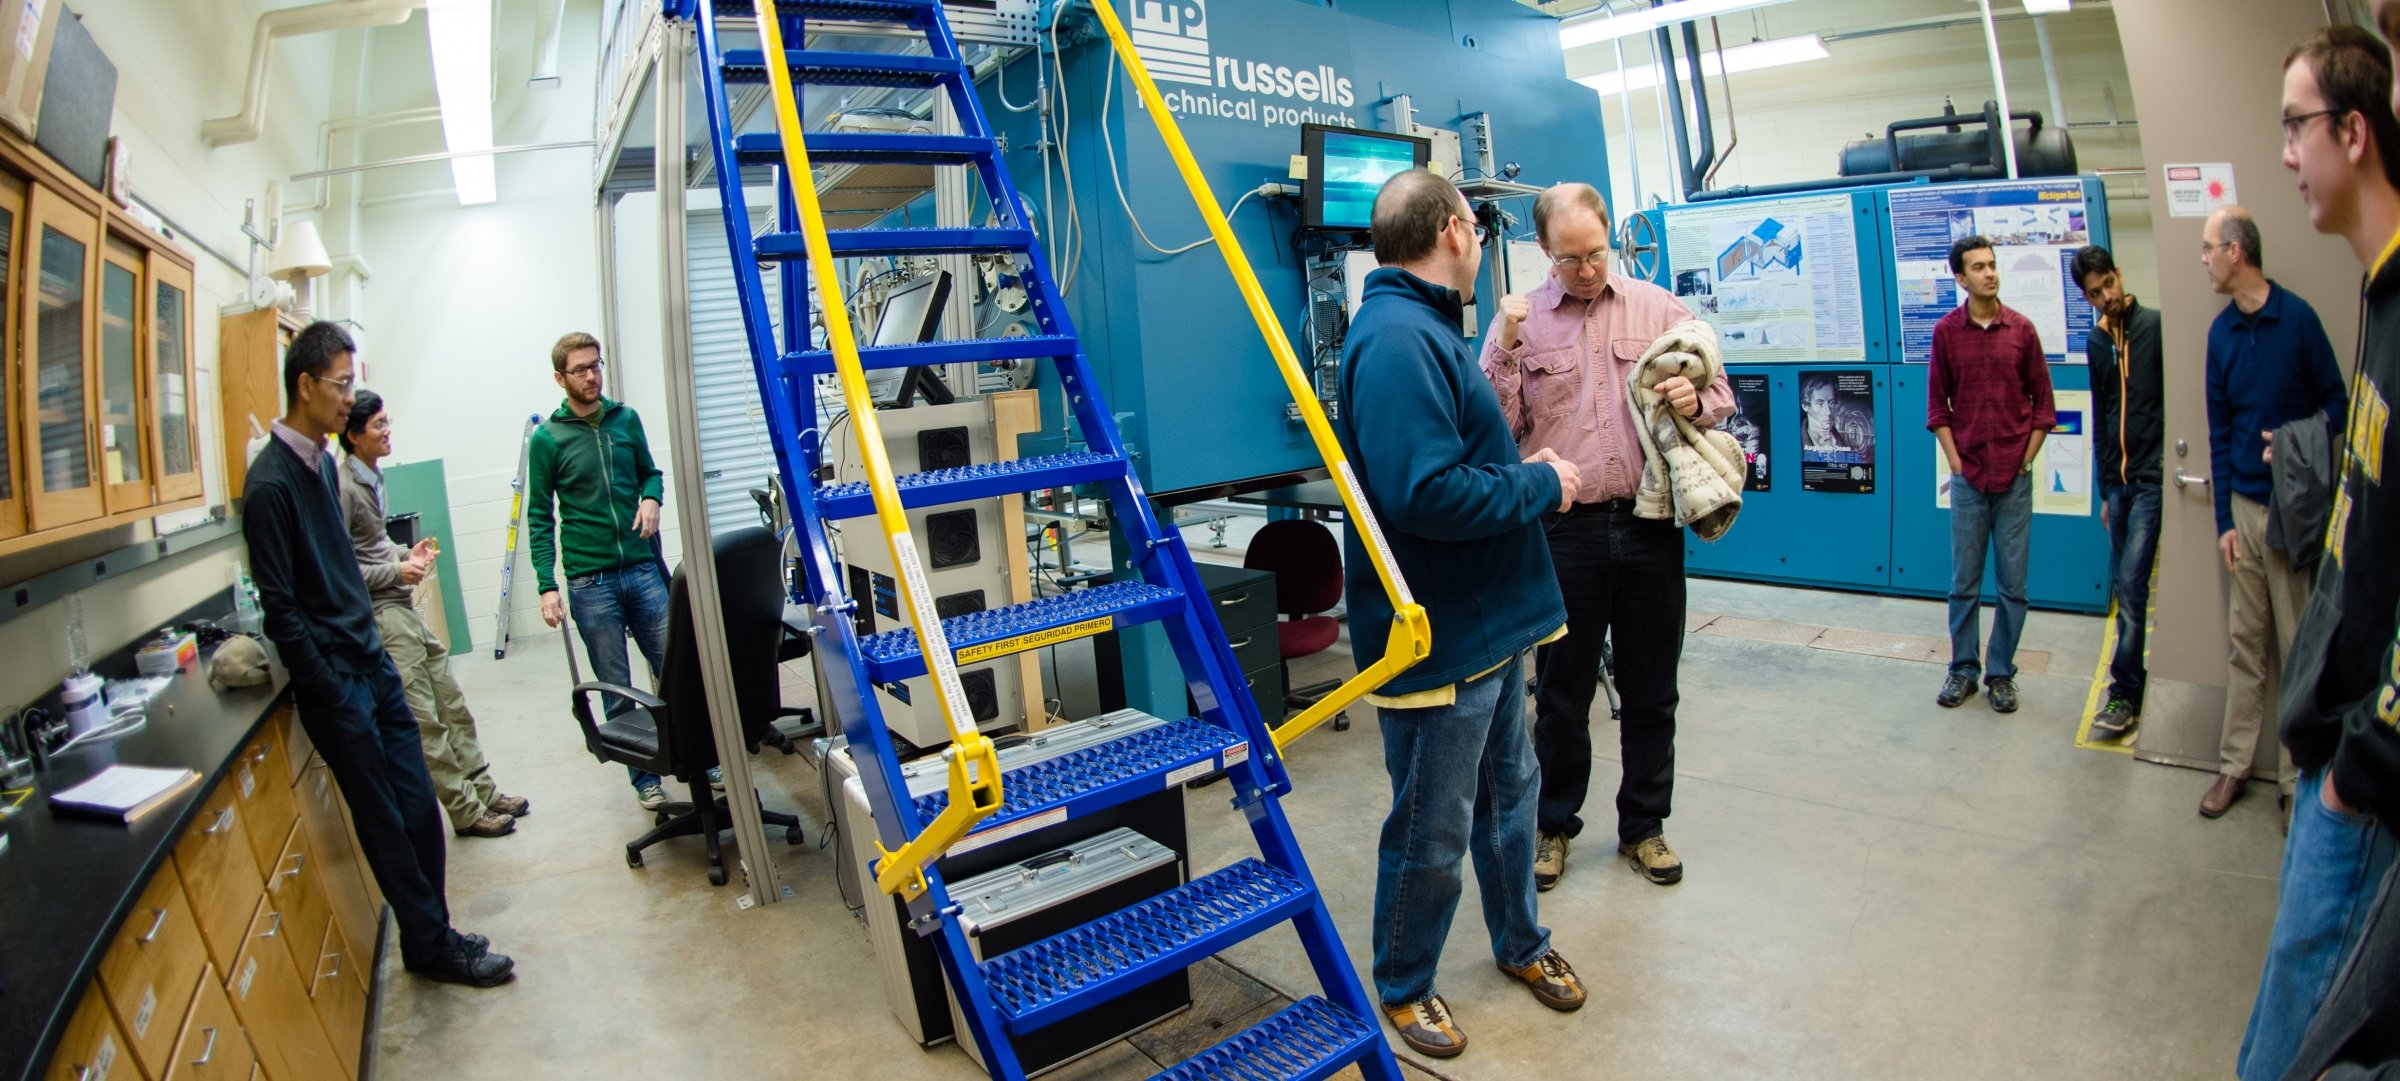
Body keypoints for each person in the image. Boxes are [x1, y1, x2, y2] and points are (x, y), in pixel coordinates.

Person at [1338, 169, 1586, 1059]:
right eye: (1478, 230)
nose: (1481, 243)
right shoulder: (1399, 339)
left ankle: (1520, 940)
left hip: (1490, 625)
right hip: (1441, 638)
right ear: (1455, 230)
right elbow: (1424, 492)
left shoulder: (1428, 330)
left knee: (1511, 800)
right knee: (1433, 827)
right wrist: (1543, 483)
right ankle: (1404, 985)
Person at [242, 321, 513, 987]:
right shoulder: (272, 484)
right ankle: (431, 943)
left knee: (419, 805)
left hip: (371, 660)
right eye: (341, 384)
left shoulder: (321, 466)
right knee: (387, 820)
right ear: (305, 386)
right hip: (341, 683)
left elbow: (340, 569)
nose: (349, 397)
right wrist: (330, 686)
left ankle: (432, 932)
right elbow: (282, 608)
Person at [1482, 182, 1729, 891]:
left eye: (1596, 253)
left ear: (1611, 238)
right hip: (1564, 531)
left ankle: (1645, 826)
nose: (1587, 269)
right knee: (1562, 693)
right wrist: (1501, 344)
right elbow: (1498, 428)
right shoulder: (1521, 325)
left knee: (1653, 687)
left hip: (1650, 524)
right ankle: (1553, 824)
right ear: (1544, 252)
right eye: (1570, 259)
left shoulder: (1658, 309)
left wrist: (1696, 397)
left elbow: (1719, 392)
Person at [2238, 25, 2400, 1081]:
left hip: (2368, 781)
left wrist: (2358, 771)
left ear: (2354, 129)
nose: (2288, 154)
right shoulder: (2377, 297)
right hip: (2336, 752)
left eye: (2297, 126)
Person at [2201, 204, 2349, 818]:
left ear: (2238, 251)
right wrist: (2225, 523)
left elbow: (2338, 406)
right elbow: (2217, 429)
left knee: (2296, 647)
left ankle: (2294, 780)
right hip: (2245, 512)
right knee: (2245, 646)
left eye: (2210, 247)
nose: (2204, 259)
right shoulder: (2220, 334)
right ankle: (2234, 767)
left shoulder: (2300, 321)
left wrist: (2292, 441)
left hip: (2294, 514)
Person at [337, 389, 529, 839]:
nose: (388, 432)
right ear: (352, 435)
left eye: (388, 422)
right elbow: (341, 568)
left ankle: (484, 790)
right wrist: (397, 569)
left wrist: (407, 552)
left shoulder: (373, 476)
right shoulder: (344, 488)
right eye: (378, 425)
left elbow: (372, 547)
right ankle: (465, 811)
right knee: (427, 720)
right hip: (383, 618)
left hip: (403, 610)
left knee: (454, 706)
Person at [527, 331, 702, 811]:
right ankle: (644, 777)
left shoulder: (626, 420)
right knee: (617, 686)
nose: (591, 375)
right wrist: (547, 584)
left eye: (595, 365)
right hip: (590, 584)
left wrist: (651, 498)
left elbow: (650, 472)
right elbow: (540, 516)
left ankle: (698, 759)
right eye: (580, 369)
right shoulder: (548, 440)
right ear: (560, 377)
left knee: (677, 672)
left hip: (644, 570)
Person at [1928, 234, 2056, 715]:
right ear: (1960, 278)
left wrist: (2025, 460)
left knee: (2013, 586)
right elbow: (1937, 407)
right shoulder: (1946, 332)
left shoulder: (2021, 331)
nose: (1990, 273)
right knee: (1963, 582)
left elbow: (2043, 408)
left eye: (1993, 265)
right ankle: (1963, 669)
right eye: (1978, 267)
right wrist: (1957, 463)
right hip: (1969, 479)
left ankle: (2000, 672)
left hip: (2014, 479)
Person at [2074, 245, 2165, 743]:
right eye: (2094, 293)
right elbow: (2104, 419)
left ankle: (2124, 691)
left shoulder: (2153, 327)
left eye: (2108, 284)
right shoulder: (2095, 342)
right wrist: (2106, 489)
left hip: (2152, 479)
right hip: (2121, 485)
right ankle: (2133, 684)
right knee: (2124, 588)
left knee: (2132, 585)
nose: (2106, 296)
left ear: (2119, 275)